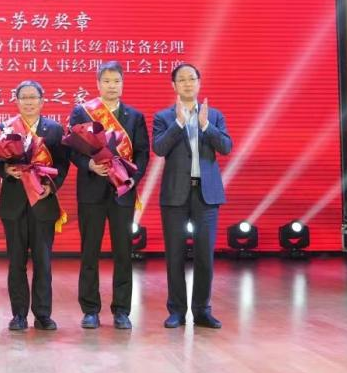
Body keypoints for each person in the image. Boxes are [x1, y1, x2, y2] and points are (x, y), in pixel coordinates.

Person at [68, 61, 149, 330]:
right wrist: (89, 165)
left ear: (122, 84)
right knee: (89, 252)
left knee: (123, 253)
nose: (112, 86)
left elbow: (142, 153)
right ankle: (90, 309)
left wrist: (132, 179)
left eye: (116, 81)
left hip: (122, 192)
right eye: (107, 81)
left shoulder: (134, 117)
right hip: (91, 190)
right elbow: (72, 150)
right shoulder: (82, 112)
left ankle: (122, 310)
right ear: (98, 84)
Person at [152, 63, 232, 330]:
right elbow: (159, 148)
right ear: (173, 85)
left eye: (192, 79)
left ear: (199, 83)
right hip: (175, 194)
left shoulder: (214, 115)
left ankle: (202, 311)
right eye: (182, 80)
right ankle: (176, 310)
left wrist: (206, 125)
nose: (187, 83)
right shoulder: (163, 117)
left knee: (204, 255)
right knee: (174, 255)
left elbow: (226, 147)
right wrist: (178, 124)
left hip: (206, 195)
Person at [0, 80, 69, 331]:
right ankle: (19, 315)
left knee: (43, 262)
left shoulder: (54, 130)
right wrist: (5, 169)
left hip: (43, 203)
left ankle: (43, 314)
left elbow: (63, 164)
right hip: (13, 205)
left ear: (42, 101)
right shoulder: (6, 128)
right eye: (24, 97)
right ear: (17, 101)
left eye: (33, 97)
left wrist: (51, 187)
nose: (29, 102)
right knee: (16, 262)